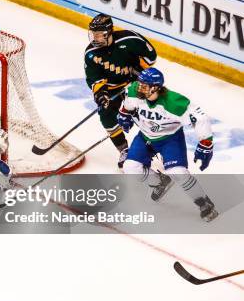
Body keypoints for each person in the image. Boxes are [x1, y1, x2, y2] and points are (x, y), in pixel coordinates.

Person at [117, 68, 218, 222]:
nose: (139, 88)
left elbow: (200, 118)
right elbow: (128, 105)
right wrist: (124, 114)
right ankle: (160, 182)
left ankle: (203, 202)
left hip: (170, 139)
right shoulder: (134, 91)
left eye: (144, 86)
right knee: (130, 167)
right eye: (139, 84)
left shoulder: (173, 102)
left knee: (178, 172)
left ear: (155, 87)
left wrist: (206, 143)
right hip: (145, 137)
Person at [84, 13, 157, 169]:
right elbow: (94, 79)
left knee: (146, 113)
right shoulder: (90, 54)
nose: (95, 38)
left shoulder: (129, 40)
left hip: (135, 83)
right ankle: (124, 150)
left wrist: (139, 69)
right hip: (112, 88)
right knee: (106, 116)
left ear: (109, 32)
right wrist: (100, 93)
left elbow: (151, 56)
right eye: (93, 34)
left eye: (99, 35)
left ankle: (157, 145)